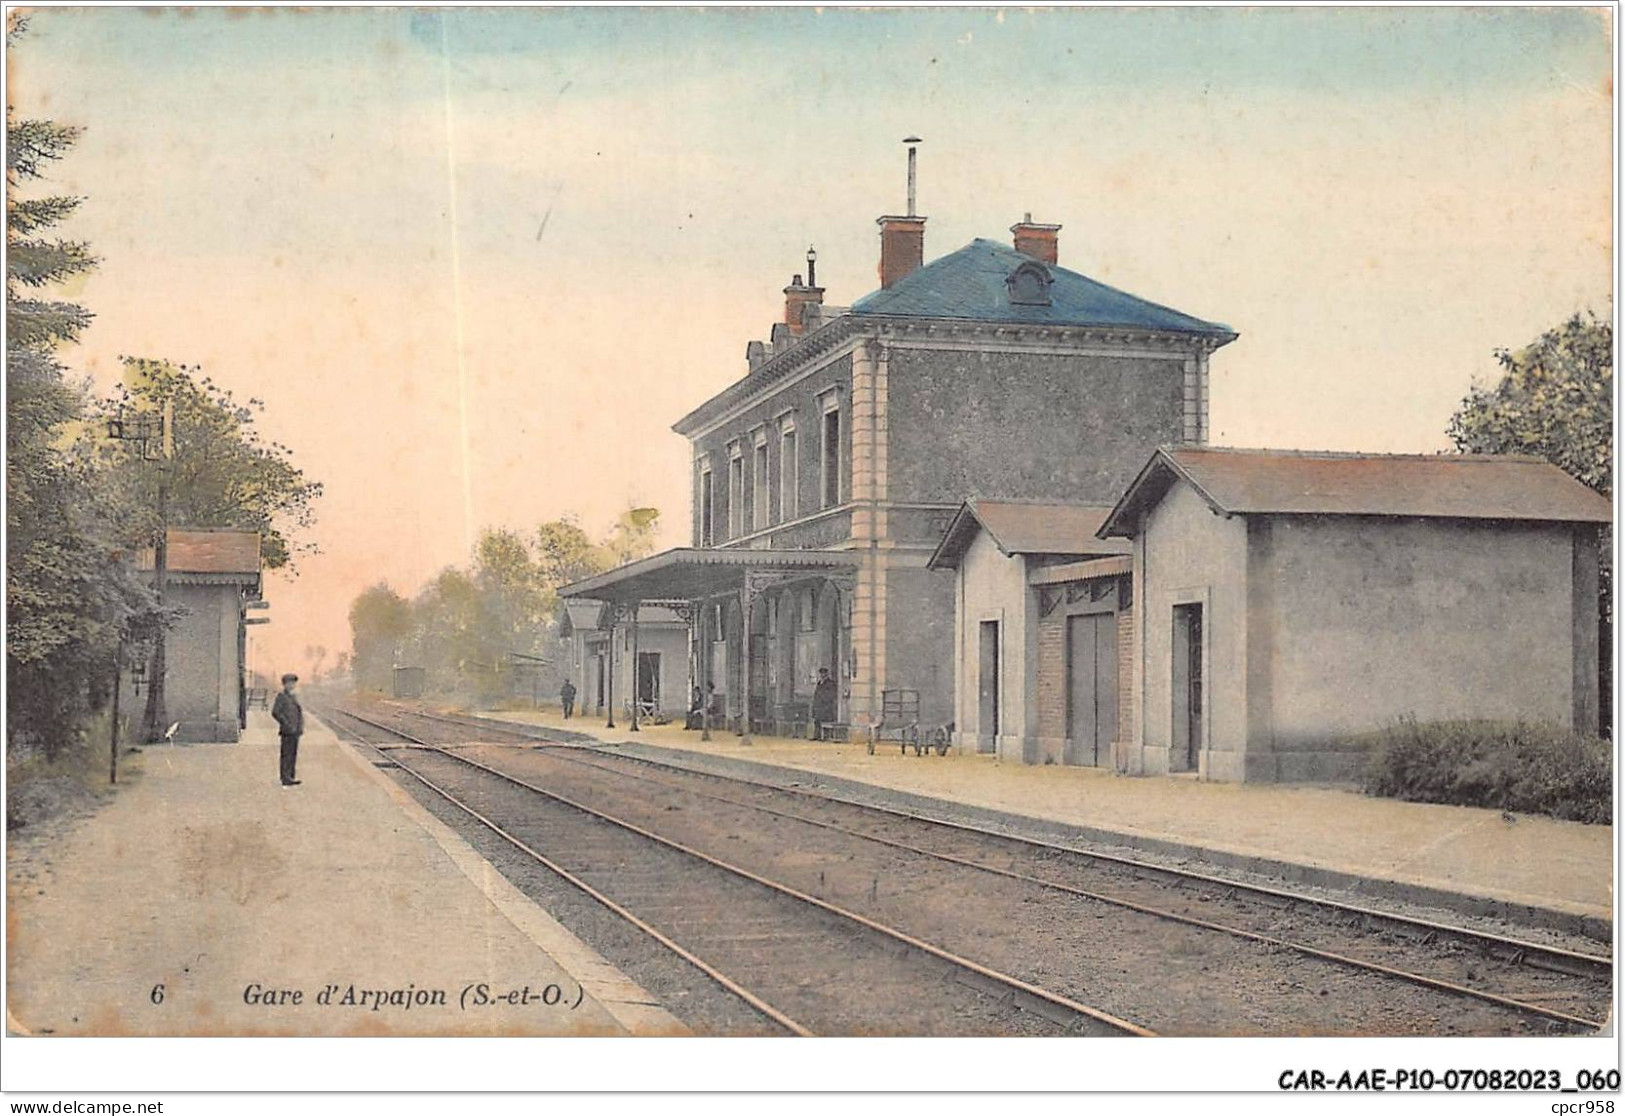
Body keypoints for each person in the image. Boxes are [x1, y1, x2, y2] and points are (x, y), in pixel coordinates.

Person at [271, 673, 304, 787]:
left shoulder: (293, 696)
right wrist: (285, 723)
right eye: (289, 683)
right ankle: (285, 777)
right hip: (287, 730)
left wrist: (299, 728)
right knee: (286, 754)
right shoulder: (281, 696)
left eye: (293, 683)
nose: (292, 685)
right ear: (284, 684)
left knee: (293, 753)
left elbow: (298, 714)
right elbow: (275, 712)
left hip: (295, 730)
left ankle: (290, 776)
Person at [811, 667, 838, 741]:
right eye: (821, 673)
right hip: (818, 706)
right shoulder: (819, 683)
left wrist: (824, 699)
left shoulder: (830, 683)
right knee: (817, 721)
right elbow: (816, 695)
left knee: (824, 720)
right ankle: (817, 735)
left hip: (826, 706)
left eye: (824, 673)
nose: (822, 675)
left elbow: (831, 695)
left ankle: (825, 736)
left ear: (826, 674)